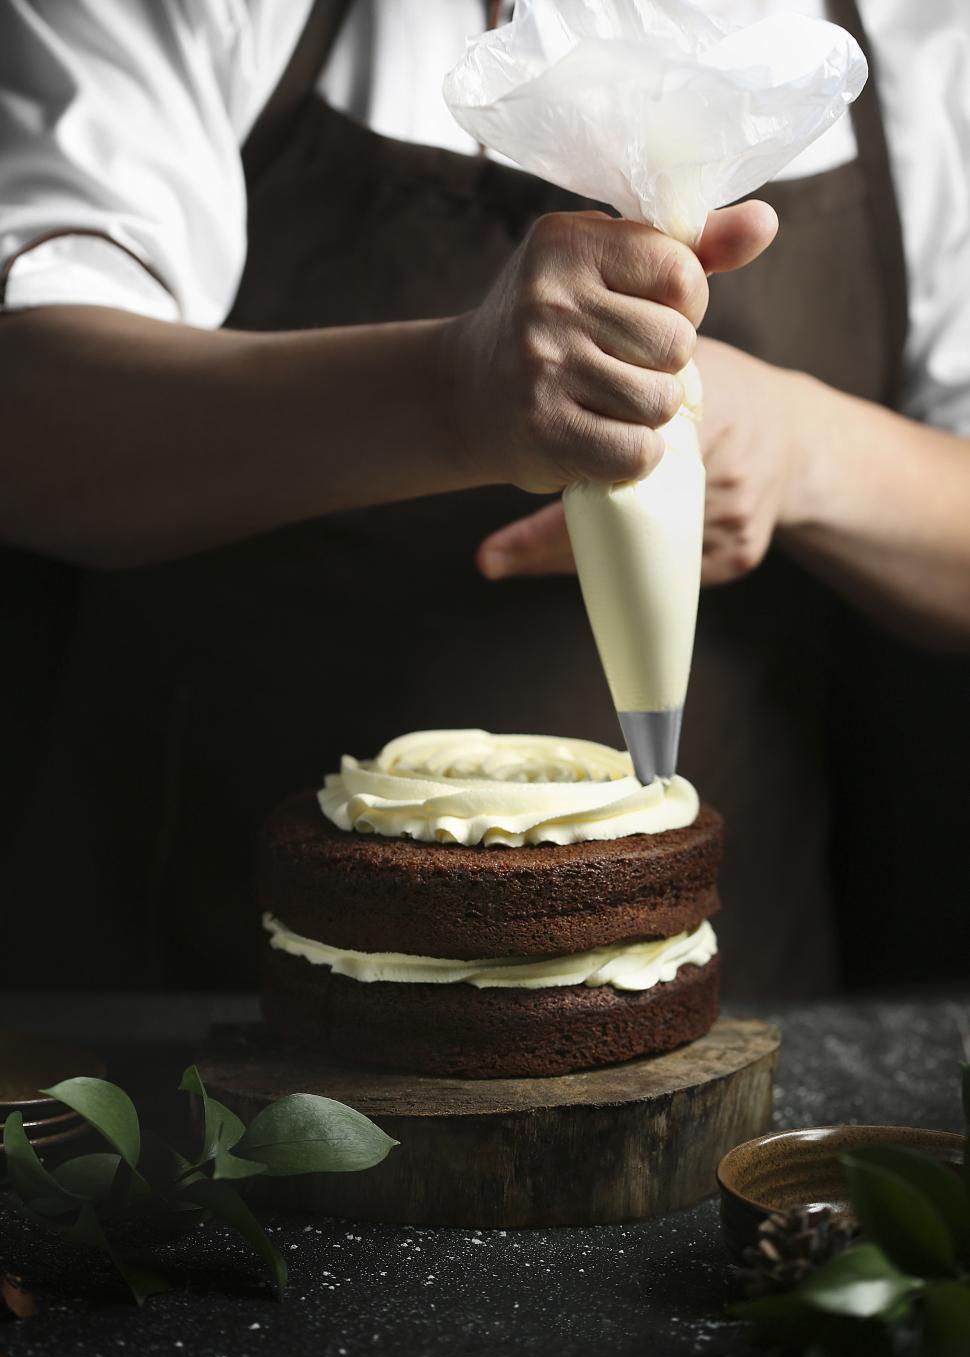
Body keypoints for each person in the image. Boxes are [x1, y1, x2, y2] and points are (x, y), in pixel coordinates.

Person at [0, 0, 967, 996]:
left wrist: (799, 446)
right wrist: (450, 392)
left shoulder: (917, 34)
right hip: (214, 994)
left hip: (729, 998)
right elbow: (30, 413)